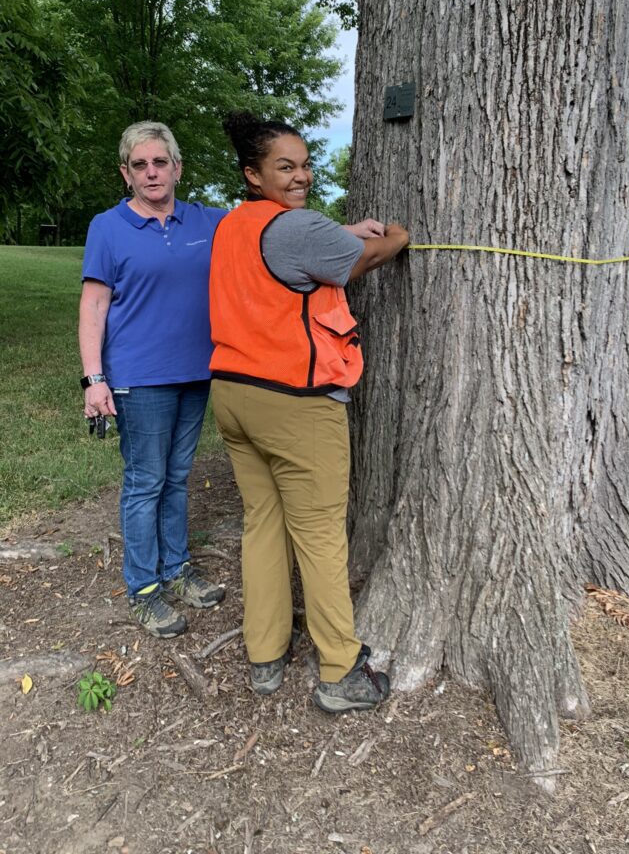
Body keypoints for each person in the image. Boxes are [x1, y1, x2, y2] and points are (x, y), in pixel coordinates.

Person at [209, 112, 409, 713]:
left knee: (262, 524)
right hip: (294, 401)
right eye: (284, 168)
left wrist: (343, 231)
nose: (300, 177)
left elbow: (289, 256)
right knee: (321, 536)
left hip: (234, 396)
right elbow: (359, 259)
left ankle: (264, 655)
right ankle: (341, 670)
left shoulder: (234, 224)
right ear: (253, 174)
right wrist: (395, 236)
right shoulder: (298, 228)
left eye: (303, 165)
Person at [78, 121, 227, 638]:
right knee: (146, 482)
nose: (151, 172)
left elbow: (270, 232)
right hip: (139, 378)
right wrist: (93, 379)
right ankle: (143, 589)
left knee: (178, 477)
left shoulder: (207, 221)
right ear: (126, 173)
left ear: (177, 167)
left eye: (159, 162)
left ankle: (177, 569)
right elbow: (94, 305)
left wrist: (344, 234)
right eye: (139, 165)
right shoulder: (109, 226)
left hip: (197, 373)